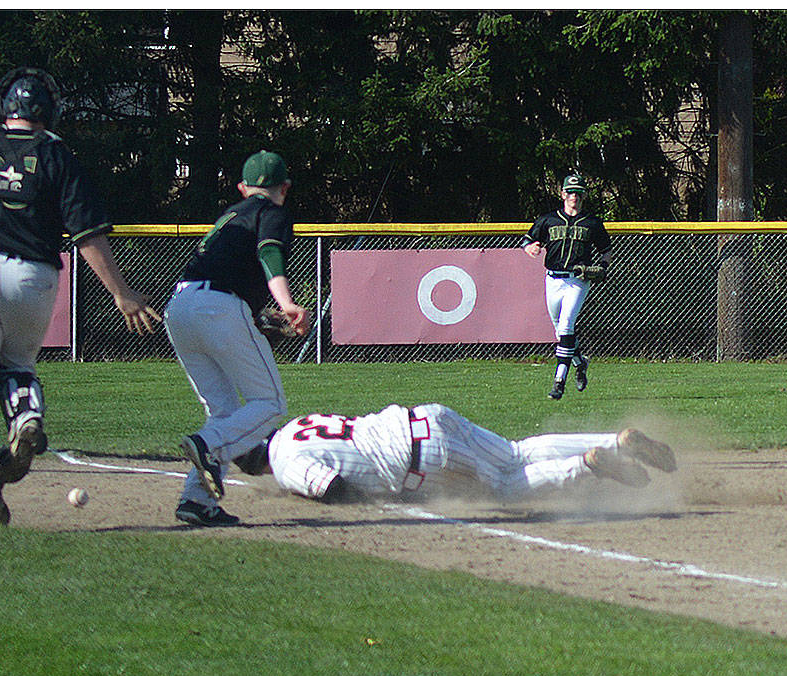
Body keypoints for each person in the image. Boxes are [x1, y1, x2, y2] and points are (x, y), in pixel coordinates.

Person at [0, 66, 163, 526]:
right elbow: (87, 234)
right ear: (49, 109)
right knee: (18, 367)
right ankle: (26, 416)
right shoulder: (57, 156)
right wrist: (121, 292)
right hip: (33, 273)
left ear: (3, 107)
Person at [165, 150, 310, 527]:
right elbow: (269, 254)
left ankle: (197, 501)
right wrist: (287, 303)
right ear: (285, 188)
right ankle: (208, 446)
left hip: (180, 307)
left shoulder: (230, 214)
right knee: (270, 401)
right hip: (218, 307)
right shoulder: (272, 211)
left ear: (243, 187)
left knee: (225, 412)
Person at [255, 403, 676, 504]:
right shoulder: (297, 424)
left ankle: (586, 465)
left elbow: (334, 489)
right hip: (425, 415)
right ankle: (614, 441)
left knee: (506, 487)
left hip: (419, 457)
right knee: (517, 452)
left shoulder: (284, 461)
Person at [522, 173, 612, 400]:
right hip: (552, 279)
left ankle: (559, 381)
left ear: (583, 196)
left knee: (565, 327)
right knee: (560, 331)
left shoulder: (592, 222)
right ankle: (580, 363)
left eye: (579, 193)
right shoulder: (549, 220)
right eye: (571, 192)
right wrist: (530, 247)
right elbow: (526, 239)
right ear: (562, 194)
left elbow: (606, 251)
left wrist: (601, 266)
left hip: (578, 280)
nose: (574, 196)